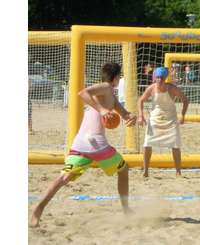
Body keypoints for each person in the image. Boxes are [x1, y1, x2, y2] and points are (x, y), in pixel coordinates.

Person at [30, 63, 137, 227]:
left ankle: (38, 208)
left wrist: (131, 117)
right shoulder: (106, 87)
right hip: (96, 143)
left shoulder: (110, 95)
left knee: (64, 177)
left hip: (80, 143)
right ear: (116, 78)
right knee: (123, 170)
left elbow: (124, 113)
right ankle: (126, 209)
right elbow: (82, 92)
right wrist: (101, 109)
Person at [138, 67, 189, 178]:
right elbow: (140, 100)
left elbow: (185, 99)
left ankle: (178, 172)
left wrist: (183, 115)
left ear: (165, 78)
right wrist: (141, 116)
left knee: (175, 145)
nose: (159, 80)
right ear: (155, 78)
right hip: (155, 120)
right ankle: (145, 170)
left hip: (170, 120)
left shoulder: (171, 88)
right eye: (157, 77)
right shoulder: (151, 88)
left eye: (161, 78)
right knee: (147, 144)